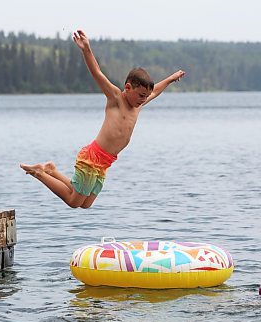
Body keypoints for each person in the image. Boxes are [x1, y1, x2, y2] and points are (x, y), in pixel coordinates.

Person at [20, 30, 185, 208]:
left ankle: (52, 170)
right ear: (128, 87)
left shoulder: (138, 106)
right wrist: (86, 49)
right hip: (93, 157)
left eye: (145, 97)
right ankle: (40, 173)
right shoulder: (116, 99)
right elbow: (97, 73)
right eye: (140, 95)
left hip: (105, 162)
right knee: (74, 201)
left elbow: (156, 90)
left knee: (86, 203)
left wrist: (170, 79)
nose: (144, 99)